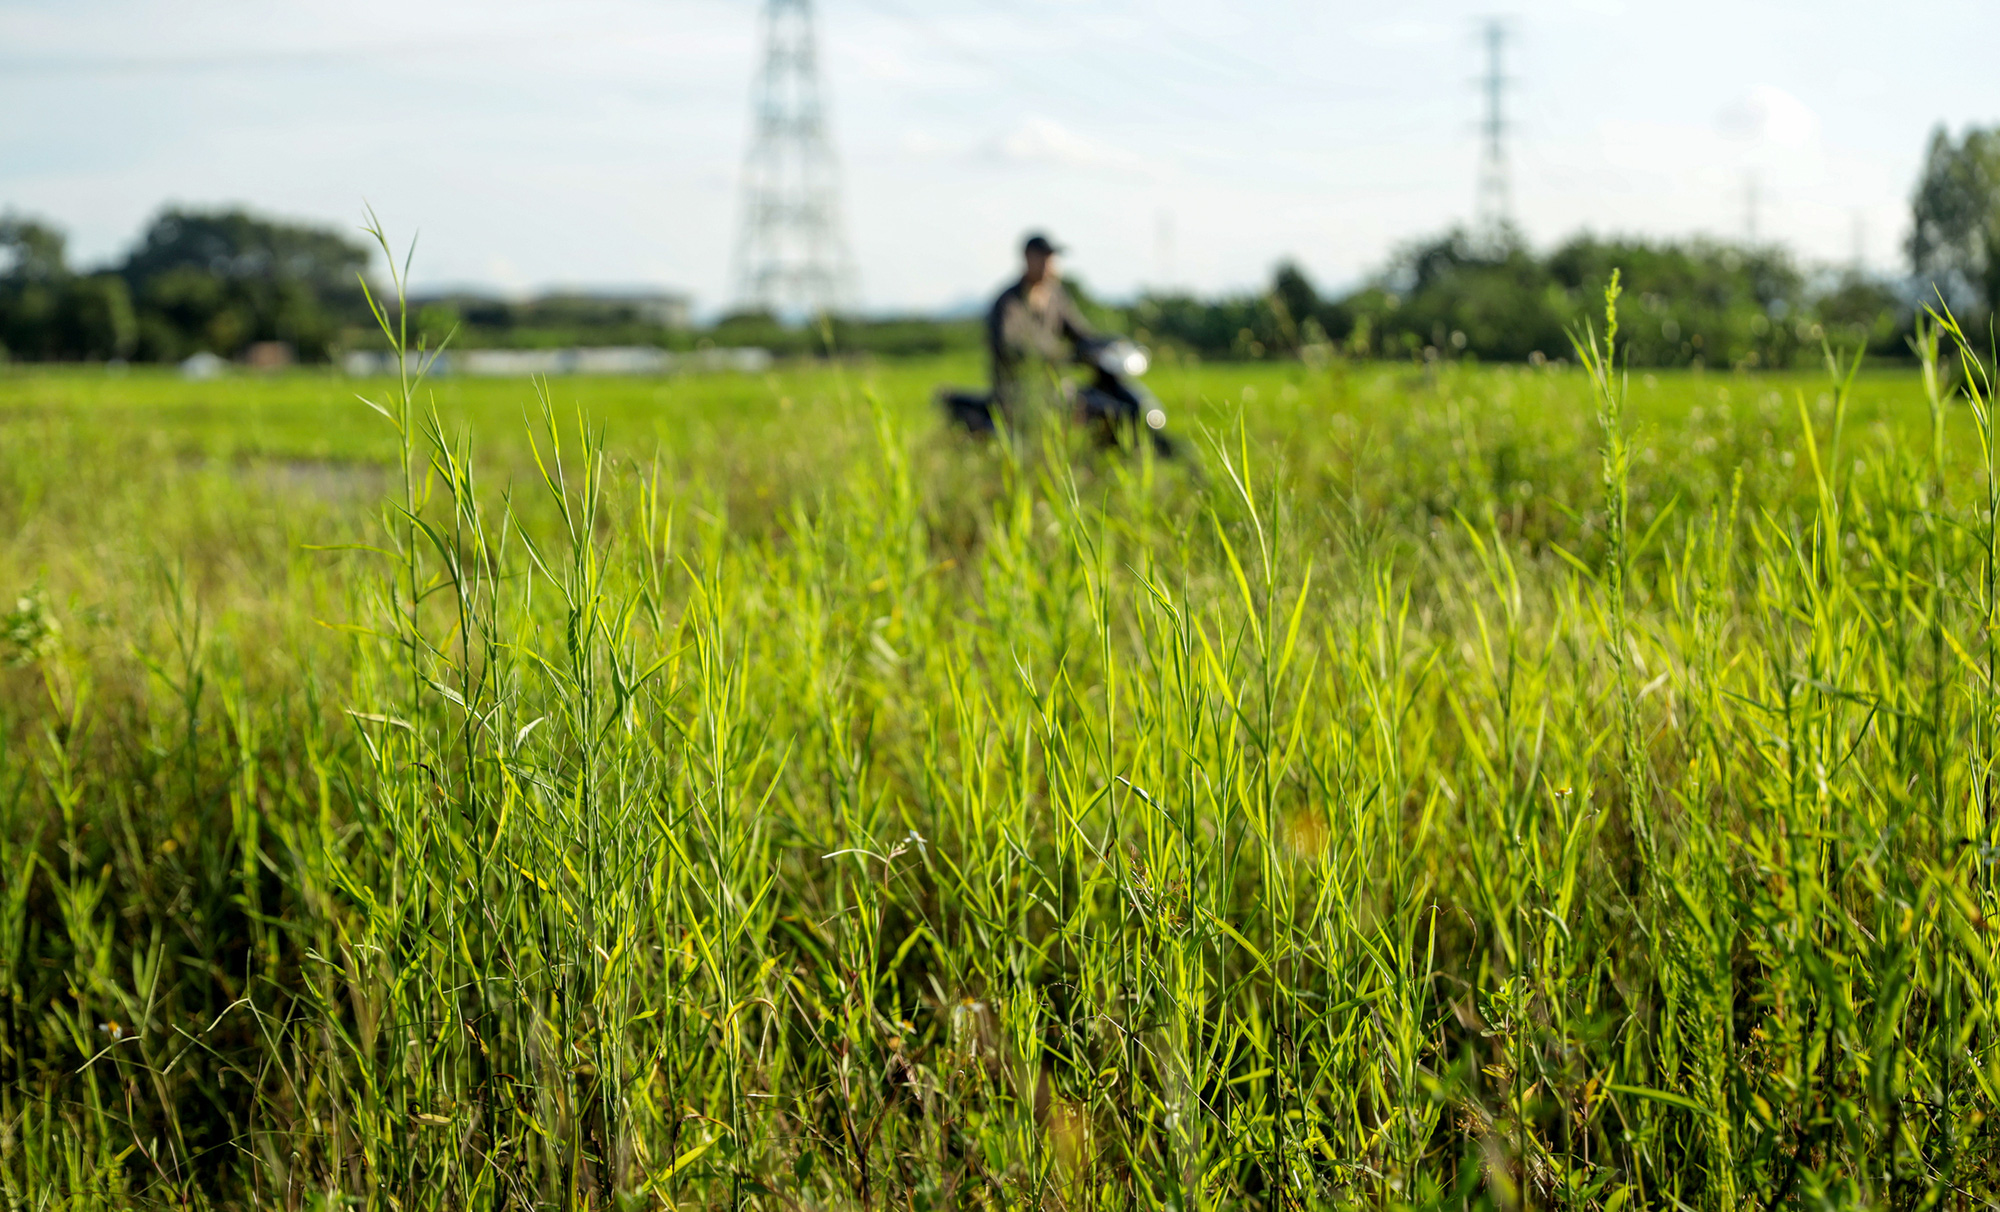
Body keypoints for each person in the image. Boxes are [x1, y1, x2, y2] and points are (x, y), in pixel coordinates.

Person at [986, 233, 1094, 431]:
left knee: (1090, 400)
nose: (1048, 264)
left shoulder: (1056, 296)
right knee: (1061, 405)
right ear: (1027, 258)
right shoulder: (1009, 302)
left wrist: (1101, 346)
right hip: (1018, 385)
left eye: (1051, 259)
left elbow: (1078, 331)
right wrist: (1052, 356)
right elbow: (1007, 344)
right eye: (1043, 258)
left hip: (1053, 381)